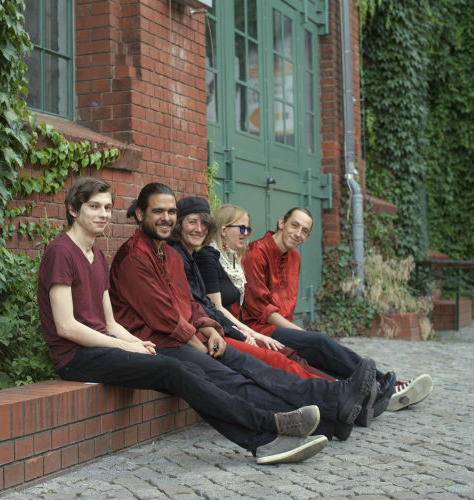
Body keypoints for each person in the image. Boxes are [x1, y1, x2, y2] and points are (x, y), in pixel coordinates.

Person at [37, 176, 332, 465]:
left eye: (106, 207)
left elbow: (110, 323)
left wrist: (137, 343)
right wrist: (128, 347)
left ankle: (266, 436)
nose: (102, 214)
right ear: (73, 209)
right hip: (76, 356)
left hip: (104, 347)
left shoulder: (97, 255)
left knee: (188, 370)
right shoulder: (61, 252)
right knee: (174, 369)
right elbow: (67, 326)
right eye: (93, 206)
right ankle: (269, 428)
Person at [109, 182, 377, 442]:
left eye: (171, 212)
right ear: (140, 214)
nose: (166, 218)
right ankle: (326, 419)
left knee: (256, 366)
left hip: (188, 337)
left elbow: (189, 303)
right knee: (234, 380)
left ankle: (333, 408)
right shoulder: (134, 257)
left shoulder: (168, 255)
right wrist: (198, 342)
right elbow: (163, 316)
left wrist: (211, 329)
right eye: (158, 211)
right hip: (159, 344)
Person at [241, 206, 433, 418]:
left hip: (282, 329)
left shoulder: (294, 257)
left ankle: (378, 393)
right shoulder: (255, 254)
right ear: (281, 223)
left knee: (322, 360)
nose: (298, 233)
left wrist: (299, 335)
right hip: (258, 329)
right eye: (294, 225)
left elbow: (286, 308)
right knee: (320, 343)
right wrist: (301, 333)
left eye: (304, 231)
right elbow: (263, 310)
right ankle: (385, 384)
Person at [169, 196, 333, 381]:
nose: (245, 233)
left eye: (248, 229)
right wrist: (248, 333)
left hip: (234, 329)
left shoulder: (232, 259)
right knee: (283, 357)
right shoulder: (207, 257)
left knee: (292, 353)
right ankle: (332, 387)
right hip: (226, 331)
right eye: (241, 228)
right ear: (223, 230)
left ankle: (334, 384)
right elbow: (214, 308)